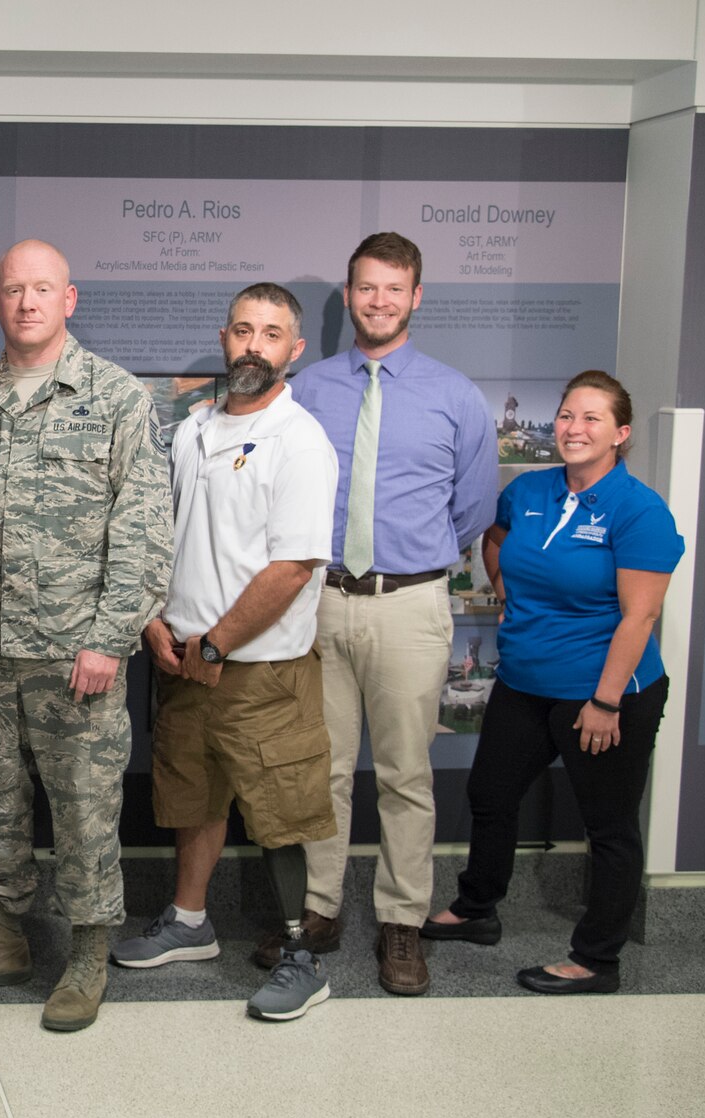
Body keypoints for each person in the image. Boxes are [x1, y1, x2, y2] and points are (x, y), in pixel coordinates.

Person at [0, 239, 173, 1033]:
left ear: (70, 299)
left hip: (74, 654)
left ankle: (89, 950)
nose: (26, 302)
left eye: (42, 288)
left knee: (87, 806)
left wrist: (109, 635)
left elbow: (144, 534)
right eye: (13, 289)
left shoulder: (117, 399)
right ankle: (2, 937)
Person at [113, 284, 340, 1021]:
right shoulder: (192, 430)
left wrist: (218, 640)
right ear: (224, 336)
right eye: (243, 330)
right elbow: (163, 536)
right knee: (193, 795)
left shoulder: (299, 439)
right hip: (182, 659)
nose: (254, 345)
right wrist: (156, 619)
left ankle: (303, 956)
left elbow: (292, 566)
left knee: (279, 809)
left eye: (272, 334)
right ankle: (188, 921)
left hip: (259, 669)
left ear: (293, 350)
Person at [283, 232, 498, 996]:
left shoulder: (455, 395)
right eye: (365, 288)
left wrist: (415, 557)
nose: (378, 301)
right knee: (325, 770)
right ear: (349, 295)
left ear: (416, 297)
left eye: (392, 289)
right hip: (322, 602)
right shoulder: (309, 389)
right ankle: (319, 911)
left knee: (407, 773)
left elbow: (471, 509)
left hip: (410, 602)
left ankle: (403, 923)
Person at [423, 371, 682, 993]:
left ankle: (597, 959)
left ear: (620, 434)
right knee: (490, 796)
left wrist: (604, 701)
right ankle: (477, 909)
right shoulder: (531, 490)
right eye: (567, 415)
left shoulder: (639, 510)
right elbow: (496, 536)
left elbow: (640, 615)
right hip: (525, 681)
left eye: (592, 419)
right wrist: (506, 590)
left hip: (603, 691)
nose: (573, 428)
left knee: (609, 826)